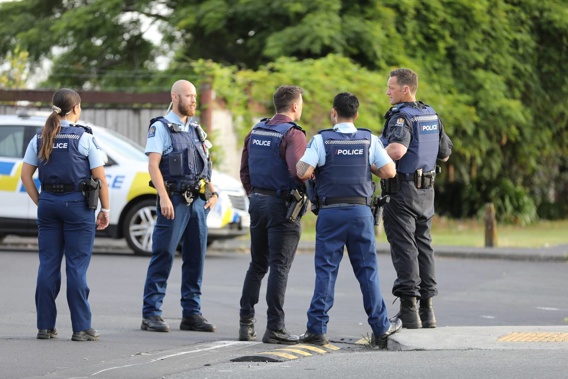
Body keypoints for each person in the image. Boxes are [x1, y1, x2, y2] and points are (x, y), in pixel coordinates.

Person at [296, 92, 402, 348]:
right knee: (367, 271)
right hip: (360, 214)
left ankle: (317, 329)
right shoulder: (370, 140)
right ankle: (380, 327)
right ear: (356, 115)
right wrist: (369, 167)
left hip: (330, 214)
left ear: (334, 113)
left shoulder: (321, 140)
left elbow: (302, 172)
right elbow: (390, 171)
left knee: (325, 271)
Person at [20, 88, 110, 341]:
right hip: (77, 206)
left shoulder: (40, 137)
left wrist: (42, 201)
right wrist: (106, 210)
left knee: (48, 264)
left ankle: (45, 327)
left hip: (48, 203)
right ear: (76, 109)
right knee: (76, 267)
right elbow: (99, 177)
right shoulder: (84, 137)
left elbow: (26, 176)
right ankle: (81, 328)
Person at [141, 80, 218, 333]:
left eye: (195, 96)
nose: (194, 100)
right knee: (163, 255)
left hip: (197, 203)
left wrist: (212, 191)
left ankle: (191, 314)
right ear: (175, 97)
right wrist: (163, 196)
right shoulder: (160, 128)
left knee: (196, 258)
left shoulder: (196, 130)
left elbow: (205, 164)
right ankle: (151, 313)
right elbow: (154, 165)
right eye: (188, 96)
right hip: (173, 201)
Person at [380, 68, 453, 329]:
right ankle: (428, 311)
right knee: (424, 246)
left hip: (402, 191)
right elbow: (444, 154)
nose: (387, 92)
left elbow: (397, 151)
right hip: (426, 191)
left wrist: (374, 153)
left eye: (391, 87)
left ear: (405, 89)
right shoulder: (430, 114)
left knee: (405, 247)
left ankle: (409, 311)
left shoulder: (401, 118)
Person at [238, 85, 307, 344]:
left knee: (257, 264)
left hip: (257, 201)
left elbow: (244, 170)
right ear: (294, 106)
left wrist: (254, 195)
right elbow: (297, 172)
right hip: (282, 205)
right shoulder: (293, 134)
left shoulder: (256, 131)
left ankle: (246, 323)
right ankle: (275, 328)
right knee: (279, 266)